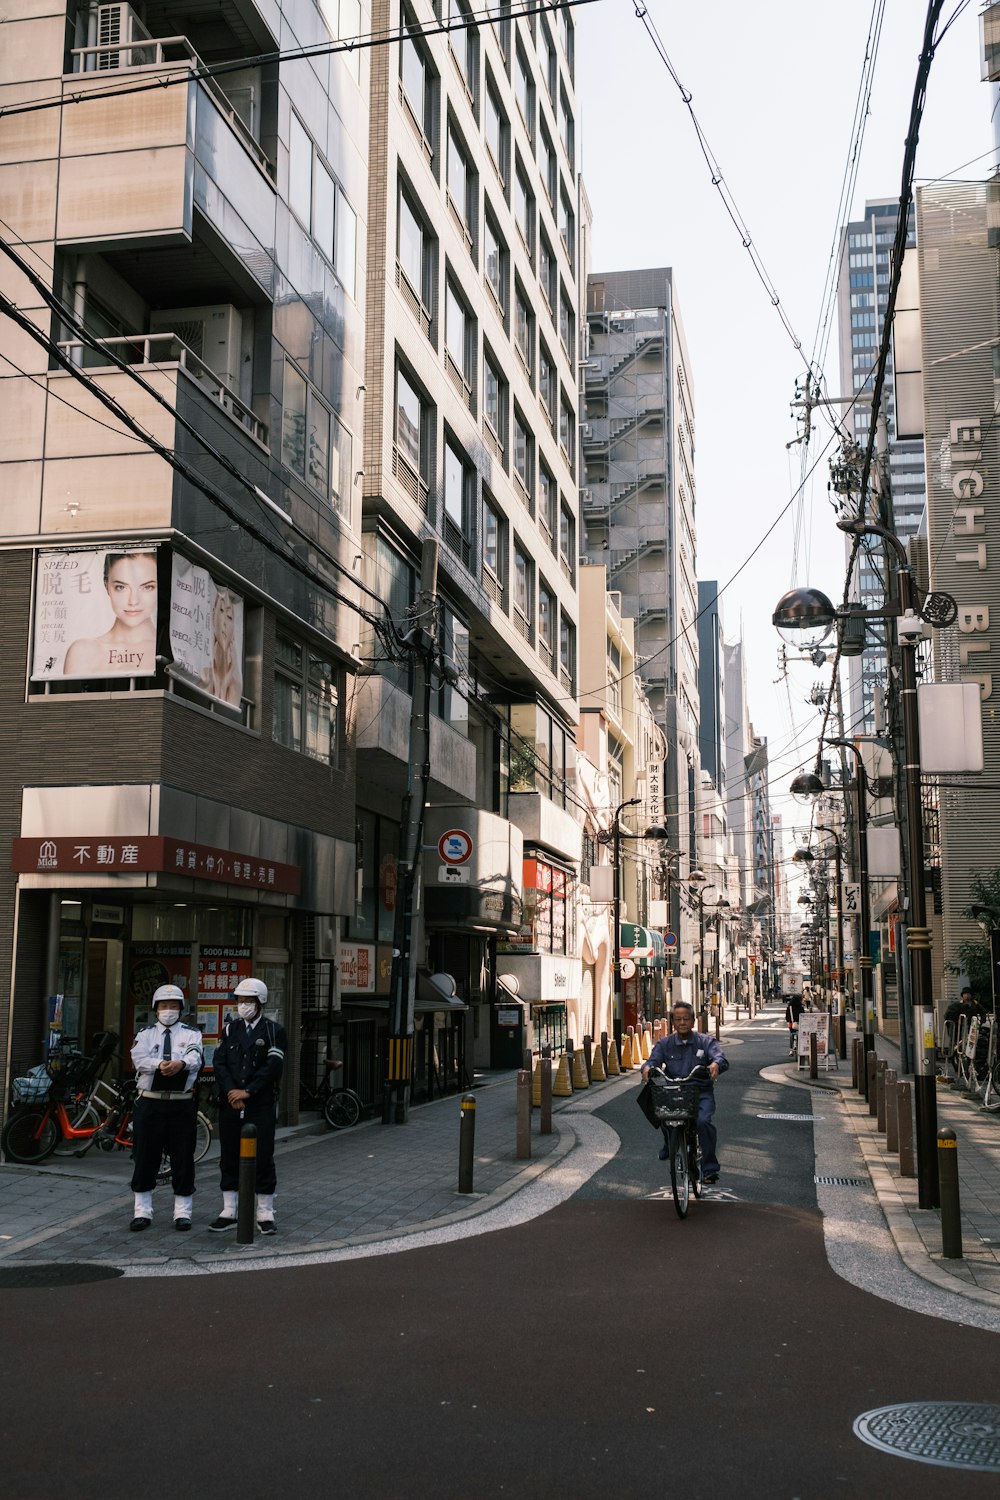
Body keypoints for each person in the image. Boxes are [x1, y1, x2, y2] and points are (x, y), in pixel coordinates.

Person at [209, 977, 286, 1234]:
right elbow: (219, 1062)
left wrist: (248, 1091)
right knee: (229, 1155)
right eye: (240, 1000)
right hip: (231, 1102)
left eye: (248, 1001)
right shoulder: (230, 1030)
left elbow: (272, 1067)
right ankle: (229, 1210)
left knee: (263, 1155)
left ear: (260, 1002)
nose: (244, 1005)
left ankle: (265, 1212)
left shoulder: (274, 1031)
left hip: (259, 1103)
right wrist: (232, 1090)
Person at [129, 984, 203, 1231]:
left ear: (181, 1009)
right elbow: (138, 1059)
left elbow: (196, 1057)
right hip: (150, 1102)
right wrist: (161, 1064)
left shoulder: (191, 1034)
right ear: (155, 1009)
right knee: (145, 1156)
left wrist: (181, 1063)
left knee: (183, 1158)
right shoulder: (145, 1033)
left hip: (181, 1105)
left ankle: (182, 1212)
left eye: (173, 1006)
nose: (168, 1010)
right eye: (163, 1006)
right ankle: (142, 1211)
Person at [640, 1000, 729, 1184]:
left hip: (700, 1092)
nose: (682, 1022)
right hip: (674, 1092)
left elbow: (719, 1056)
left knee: (703, 1122)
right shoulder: (665, 1044)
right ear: (673, 1022)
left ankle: (709, 1168)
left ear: (693, 1021)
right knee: (660, 1112)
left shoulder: (705, 1042)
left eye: (686, 1019)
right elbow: (653, 1060)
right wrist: (647, 1068)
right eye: (678, 1019)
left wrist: (715, 1064)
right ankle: (669, 1142)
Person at [63, 551, 158, 678]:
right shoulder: (83, 652)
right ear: (106, 586)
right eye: (121, 587)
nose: (133, 601)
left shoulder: (167, 653)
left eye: (147, 587)